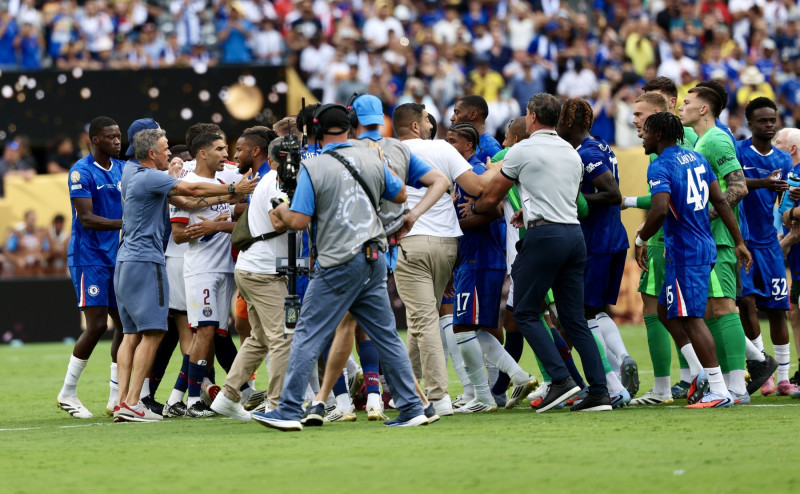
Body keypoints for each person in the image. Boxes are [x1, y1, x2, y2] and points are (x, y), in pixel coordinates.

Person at [252, 104, 427, 431]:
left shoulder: (314, 167)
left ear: (317, 133)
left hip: (337, 262)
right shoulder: (372, 157)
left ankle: (289, 410)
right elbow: (401, 194)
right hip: (374, 257)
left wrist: (280, 205)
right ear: (350, 127)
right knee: (387, 336)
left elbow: (299, 221)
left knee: (306, 335)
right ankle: (412, 408)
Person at [307, 94, 449, 423]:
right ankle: (413, 401)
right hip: (387, 247)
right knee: (368, 326)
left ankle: (329, 402)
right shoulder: (399, 148)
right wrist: (412, 215)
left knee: (350, 326)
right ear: (382, 118)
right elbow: (440, 182)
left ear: (353, 120)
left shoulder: (349, 151)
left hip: (352, 247)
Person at [472, 93, 611, 413]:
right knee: (574, 319)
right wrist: (532, 210)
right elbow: (575, 200)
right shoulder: (571, 152)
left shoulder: (521, 149)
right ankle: (599, 392)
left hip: (544, 236)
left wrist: (473, 207)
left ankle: (561, 381)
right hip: (573, 234)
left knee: (524, 312)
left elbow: (492, 196)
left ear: (532, 117)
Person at [113, 128, 258, 422]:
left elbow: (190, 203)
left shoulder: (134, 176)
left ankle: (123, 402)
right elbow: (191, 192)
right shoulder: (151, 176)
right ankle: (137, 401)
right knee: (155, 333)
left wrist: (224, 206)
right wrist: (234, 191)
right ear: (151, 153)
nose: (172, 154)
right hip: (147, 260)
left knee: (132, 334)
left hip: (126, 259)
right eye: (166, 149)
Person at [636, 111, 751, 408]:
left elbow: (660, 209)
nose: (641, 135)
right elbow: (721, 202)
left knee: (691, 318)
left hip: (686, 252)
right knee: (664, 311)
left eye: (645, 130)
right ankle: (701, 373)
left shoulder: (660, 166)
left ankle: (718, 389)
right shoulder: (695, 158)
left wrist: (640, 238)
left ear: (658, 135)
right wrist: (738, 241)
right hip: (702, 245)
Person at [392, 102, 500, 417]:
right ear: (414, 125)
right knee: (420, 321)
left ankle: (437, 398)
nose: (432, 122)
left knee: (423, 321)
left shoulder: (389, 154)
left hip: (410, 242)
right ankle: (403, 391)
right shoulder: (442, 148)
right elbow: (479, 187)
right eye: (426, 118)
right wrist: (493, 168)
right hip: (447, 245)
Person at [445, 121, 539, 412]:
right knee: (479, 327)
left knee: (461, 326)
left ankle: (483, 396)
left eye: (453, 141)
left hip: (480, 260)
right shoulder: (466, 174)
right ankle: (518, 376)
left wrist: (453, 224)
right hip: (476, 260)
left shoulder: (475, 174)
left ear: (469, 146)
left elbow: (496, 210)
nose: (448, 146)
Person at [556, 98, 636, 405]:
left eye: (562, 120)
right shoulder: (602, 146)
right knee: (594, 311)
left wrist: (579, 197)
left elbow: (612, 193)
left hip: (598, 243)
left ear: (570, 123)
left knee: (580, 314)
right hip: (613, 239)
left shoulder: (587, 153)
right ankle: (622, 360)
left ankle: (612, 387)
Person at [679, 86, 751, 403]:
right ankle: (724, 381)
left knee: (724, 308)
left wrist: (703, 215)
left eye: (687, 102)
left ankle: (738, 387)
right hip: (709, 239)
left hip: (719, 238)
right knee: (709, 311)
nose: (681, 107)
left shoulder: (717, 139)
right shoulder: (700, 140)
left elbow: (738, 185)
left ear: (704, 109)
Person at [211, 134, 289, 422]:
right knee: (283, 336)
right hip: (264, 271)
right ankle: (276, 405)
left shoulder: (268, 179)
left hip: (251, 266)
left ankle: (228, 396)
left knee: (259, 339)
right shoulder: (278, 182)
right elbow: (280, 220)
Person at [165, 132, 238, 418]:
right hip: (202, 269)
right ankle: (193, 399)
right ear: (203, 154)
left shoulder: (221, 184)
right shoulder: (187, 186)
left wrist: (220, 222)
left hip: (224, 269)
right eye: (220, 148)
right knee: (204, 331)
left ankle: (175, 399)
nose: (225, 153)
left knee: (210, 334)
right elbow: (179, 234)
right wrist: (206, 229)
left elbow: (230, 214)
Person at [57, 116, 125, 420]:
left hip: (116, 256)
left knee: (124, 324)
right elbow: (85, 218)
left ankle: (115, 397)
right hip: (89, 256)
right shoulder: (80, 172)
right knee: (97, 324)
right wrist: (126, 224)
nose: (117, 141)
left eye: (119, 136)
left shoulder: (123, 169)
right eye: (111, 137)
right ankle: (67, 393)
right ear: (94, 140)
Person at [736, 97, 796, 397]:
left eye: (773, 120)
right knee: (746, 303)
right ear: (750, 123)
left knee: (778, 308)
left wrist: (791, 198)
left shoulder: (784, 160)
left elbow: (782, 202)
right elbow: (731, 184)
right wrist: (761, 182)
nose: (769, 124)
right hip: (743, 242)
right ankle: (763, 367)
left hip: (769, 243)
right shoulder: (737, 150)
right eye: (762, 120)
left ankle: (783, 377)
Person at [774, 128, 800, 387]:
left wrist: (792, 215)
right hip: (796, 261)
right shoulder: (790, 177)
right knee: (794, 313)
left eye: (777, 142)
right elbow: (786, 217)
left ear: (791, 148)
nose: (773, 145)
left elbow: (791, 219)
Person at [450, 95, 503, 164]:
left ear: (473, 115)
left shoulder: (490, 149)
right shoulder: (465, 144)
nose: (452, 118)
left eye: (457, 113)